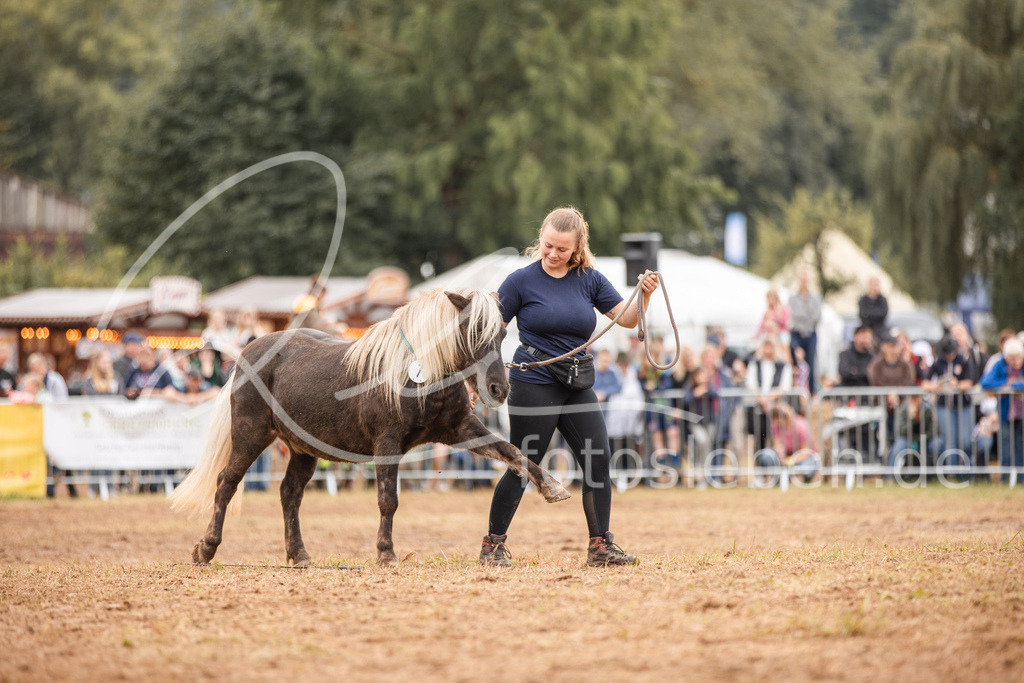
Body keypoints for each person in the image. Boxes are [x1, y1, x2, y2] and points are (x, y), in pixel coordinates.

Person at [479, 206, 659, 567]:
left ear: (577, 247)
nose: (553, 254)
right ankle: (493, 546)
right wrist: (483, 377)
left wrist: (645, 294)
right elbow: (488, 331)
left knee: (598, 461)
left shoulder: (589, 278)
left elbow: (626, 319)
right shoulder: (519, 281)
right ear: (540, 239)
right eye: (548, 245)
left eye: (562, 249)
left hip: (577, 382)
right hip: (534, 381)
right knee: (523, 465)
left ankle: (600, 546)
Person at [979, 338, 1024, 482]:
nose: (1016, 362)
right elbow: (985, 382)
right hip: (1006, 412)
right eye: (1012, 359)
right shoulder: (1000, 365)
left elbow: (1017, 385)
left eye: (1018, 358)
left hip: (1021, 413)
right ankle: (1005, 478)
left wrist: (1014, 386)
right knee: (1005, 445)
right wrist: (1005, 383)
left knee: (1021, 445)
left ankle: (1021, 478)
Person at [922, 335, 973, 459]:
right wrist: (936, 386)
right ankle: (952, 471)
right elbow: (925, 383)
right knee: (949, 440)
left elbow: (970, 382)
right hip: (944, 406)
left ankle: (966, 469)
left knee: (965, 440)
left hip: (963, 405)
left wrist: (957, 385)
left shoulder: (963, 361)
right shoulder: (938, 363)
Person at [753, 403, 819, 486]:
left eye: (778, 417)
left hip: (802, 458)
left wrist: (791, 460)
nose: (776, 421)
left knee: (806, 467)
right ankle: (778, 478)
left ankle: (805, 481)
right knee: (767, 455)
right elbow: (777, 445)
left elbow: (805, 451)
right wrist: (780, 455)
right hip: (785, 458)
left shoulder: (801, 426)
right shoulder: (776, 426)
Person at [788, 268, 822, 393]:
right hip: (797, 334)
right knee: (796, 364)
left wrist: (803, 316)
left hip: (810, 334)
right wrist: (808, 314)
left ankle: (812, 391)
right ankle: (796, 391)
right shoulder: (792, 299)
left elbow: (817, 317)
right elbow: (795, 315)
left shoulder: (816, 299)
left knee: (811, 364)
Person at [858, 276, 889, 345]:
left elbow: (883, 314)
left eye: (876, 284)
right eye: (872, 284)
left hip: (880, 331)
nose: (873, 287)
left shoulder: (882, 300)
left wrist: (869, 314)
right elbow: (862, 314)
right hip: (866, 328)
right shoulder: (863, 300)